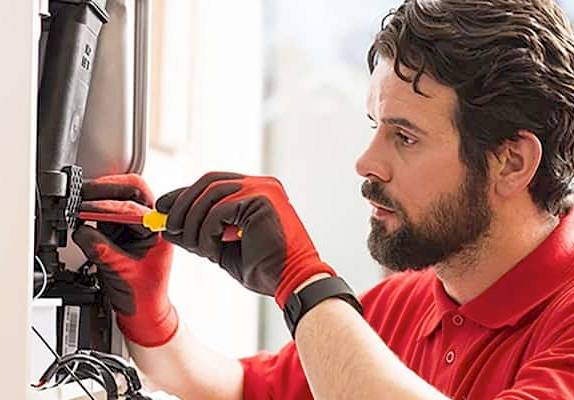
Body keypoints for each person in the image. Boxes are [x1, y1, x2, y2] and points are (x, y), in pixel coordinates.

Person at [72, 0, 574, 398]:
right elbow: (248, 391)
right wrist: (152, 318)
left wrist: (303, 282)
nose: (366, 162)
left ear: (510, 163)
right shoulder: (406, 302)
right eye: (377, 126)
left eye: (405, 137)